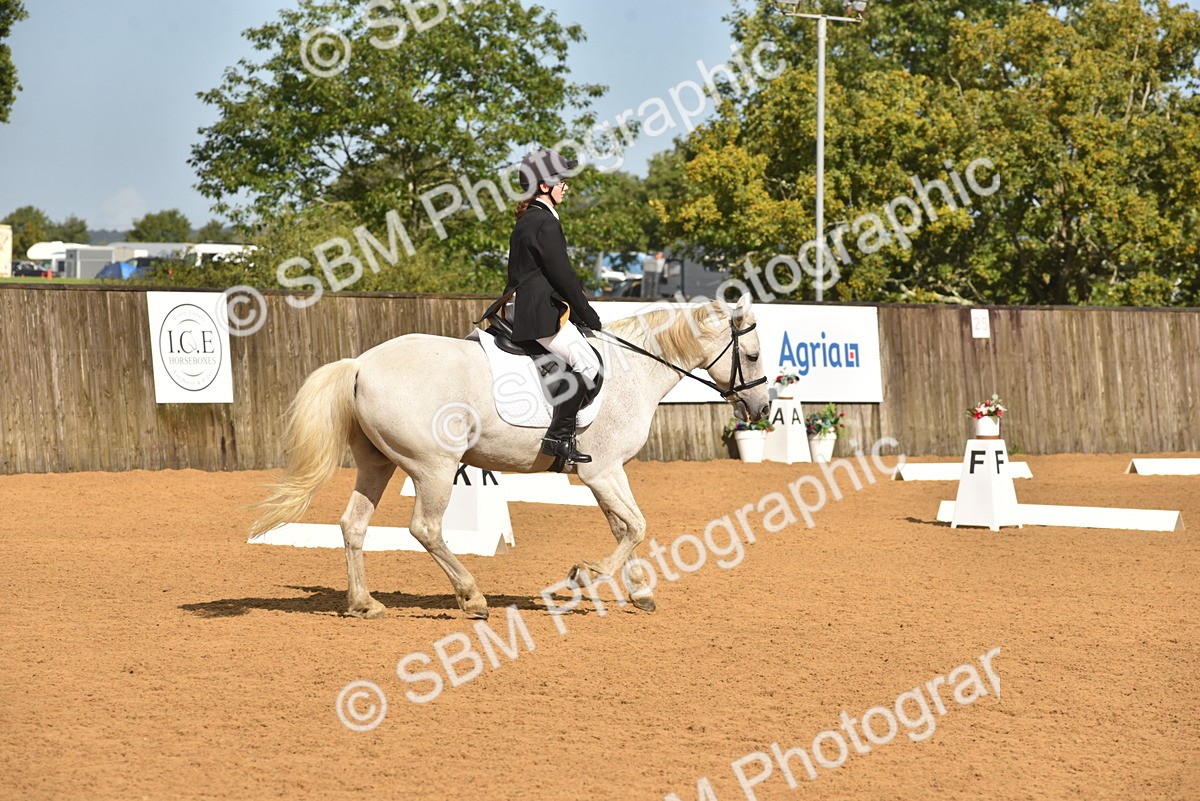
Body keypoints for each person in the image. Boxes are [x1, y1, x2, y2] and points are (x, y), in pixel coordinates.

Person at [493, 148, 604, 464]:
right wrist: (589, 315)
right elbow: (563, 276)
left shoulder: (530, 218)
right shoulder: (544, 222)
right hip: (536, 312)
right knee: (588, 364)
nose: (566, 186)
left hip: (518, 306)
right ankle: (558, 438)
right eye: (562, 181)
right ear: (544, 186)